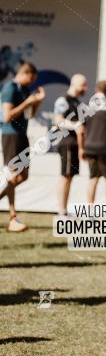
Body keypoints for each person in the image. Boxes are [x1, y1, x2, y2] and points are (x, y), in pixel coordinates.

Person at [0, 62, 44, 231]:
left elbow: (29, 115)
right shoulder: (10, 88)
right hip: (10, 134)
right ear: (25, 73)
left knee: (22, 176)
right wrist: (28, 102)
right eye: (31, 78)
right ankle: (13, 219)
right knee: (11, 176)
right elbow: (7, 116)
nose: (31, 82)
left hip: (22, 135)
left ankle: (13, 218)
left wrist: (37, 101)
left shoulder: (24, 90)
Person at [53, 74, 88, 216]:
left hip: (74, 144)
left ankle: (64, 209)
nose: (85, 88)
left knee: (70, 176)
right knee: (65, 176)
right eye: (83, 85)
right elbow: (57, 120)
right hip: (66, 143)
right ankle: (61, 210)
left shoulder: (76, 102)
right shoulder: (63, 100)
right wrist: (74, 126)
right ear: (74, 84)